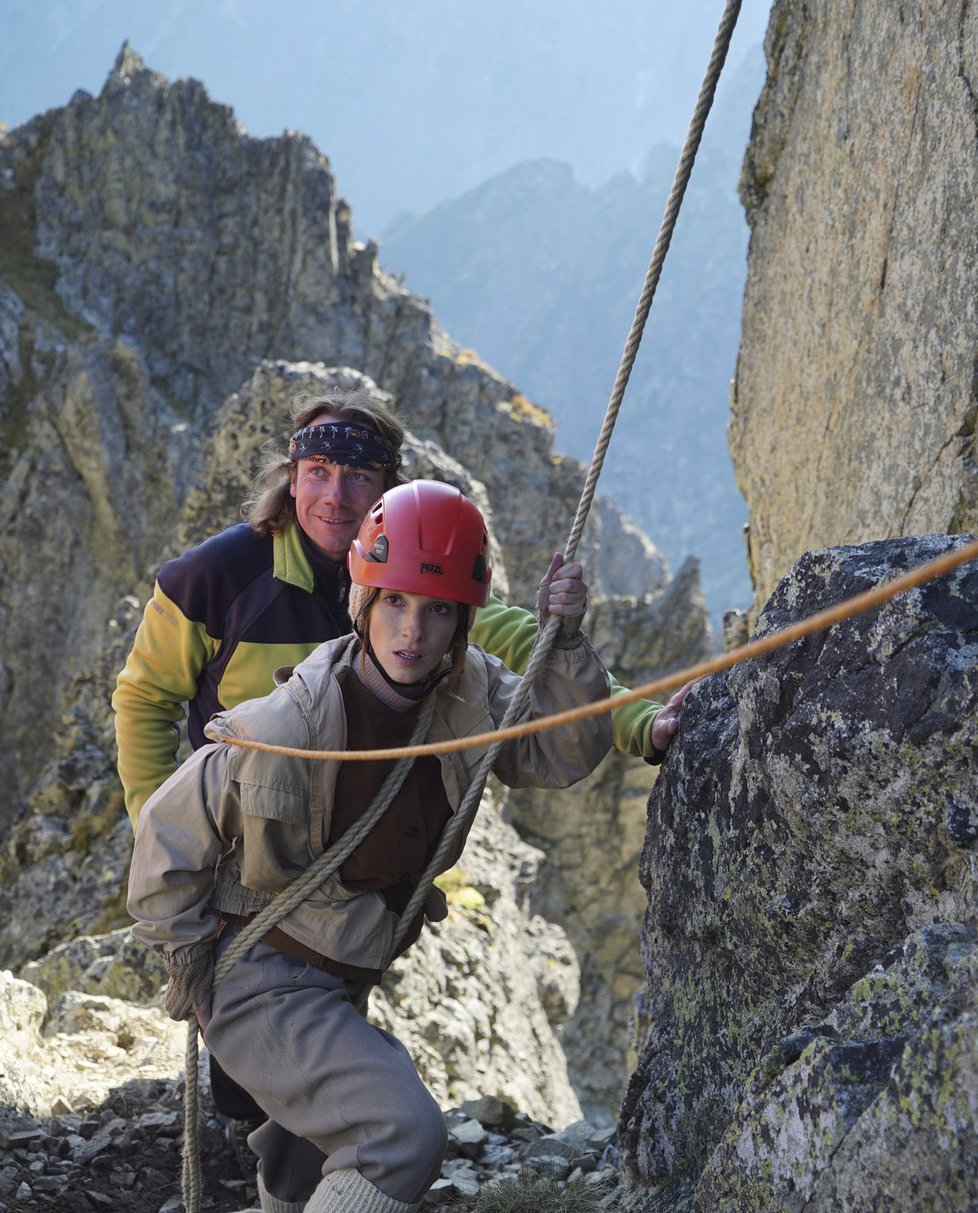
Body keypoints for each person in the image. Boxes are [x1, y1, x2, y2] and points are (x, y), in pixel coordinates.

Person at [126, 481, 615, 1213]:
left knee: (311, 1138)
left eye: (439, 611)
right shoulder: (287, 724)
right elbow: (165, 844)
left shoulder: (468, 695)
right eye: (395, 602)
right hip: (259, 970)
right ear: (361, 604)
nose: (414, 630)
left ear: (463, 622)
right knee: (399, 1130)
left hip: (340, 969)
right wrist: (193, 969)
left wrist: (566, 645)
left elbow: (561, 754)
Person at [112, 385, 688, 1126]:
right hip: (245, 857)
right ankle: (279, 1170)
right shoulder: (216, 579)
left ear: (387, 491)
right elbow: (144, 697)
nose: (334, 494)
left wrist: (640, 722)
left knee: (312, 1046)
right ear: (290, 477)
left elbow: (524, 648)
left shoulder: (406, 586)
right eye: (317, 470)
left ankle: (293, 1180)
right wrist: (160, 822)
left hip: (356, 874)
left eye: (359, 477)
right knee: (251, 1081)